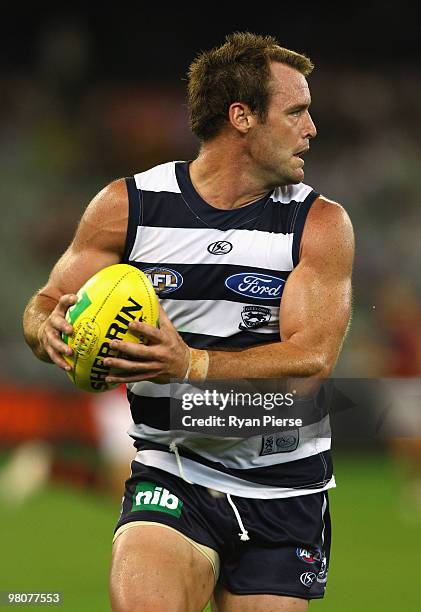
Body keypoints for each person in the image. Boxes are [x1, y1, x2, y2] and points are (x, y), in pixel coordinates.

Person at [23, 32, 354, 612]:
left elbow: (314, 356)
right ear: (242, 117)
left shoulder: (319, 223)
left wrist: (193, 364)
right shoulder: (130, 206)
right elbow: (48, 301)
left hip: (286, 486)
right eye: (297, 110)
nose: (312, 128)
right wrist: (47, 328)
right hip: (172, 467)